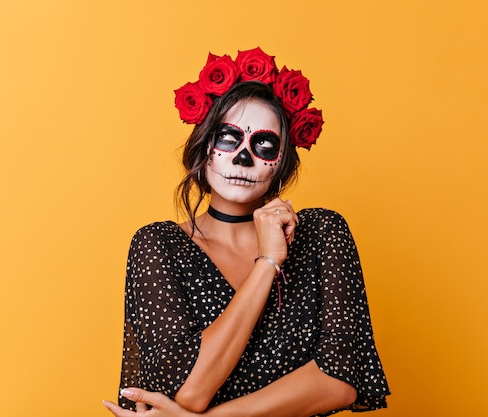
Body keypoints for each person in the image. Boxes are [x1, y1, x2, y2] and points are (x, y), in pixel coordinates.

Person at [103, 47, 390, 417]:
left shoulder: (322, 233)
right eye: (227, 138)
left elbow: (341, 380)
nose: (243, 158)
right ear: (203, 147)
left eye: (264, 145)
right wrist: (267, 261)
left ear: (283, 160)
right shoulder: (159, 245)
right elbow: (188, 392)